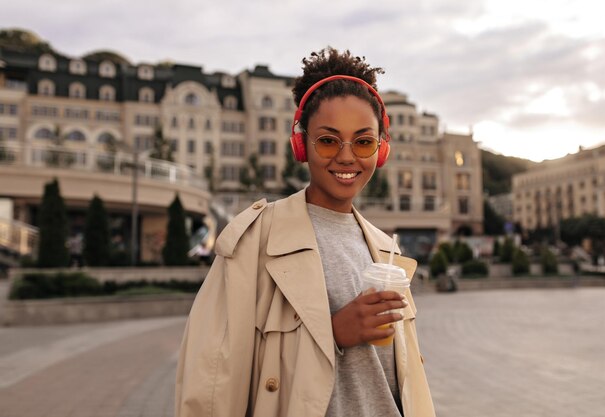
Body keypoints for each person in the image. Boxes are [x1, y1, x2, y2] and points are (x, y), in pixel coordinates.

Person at [175, 47, 436, 417]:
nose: (347, 157)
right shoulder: (255, 240)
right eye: (328, 140)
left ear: (381, 149)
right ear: (301, 144)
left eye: (363, 141)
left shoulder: (386, 250)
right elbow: (210, 383)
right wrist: (333, 334)